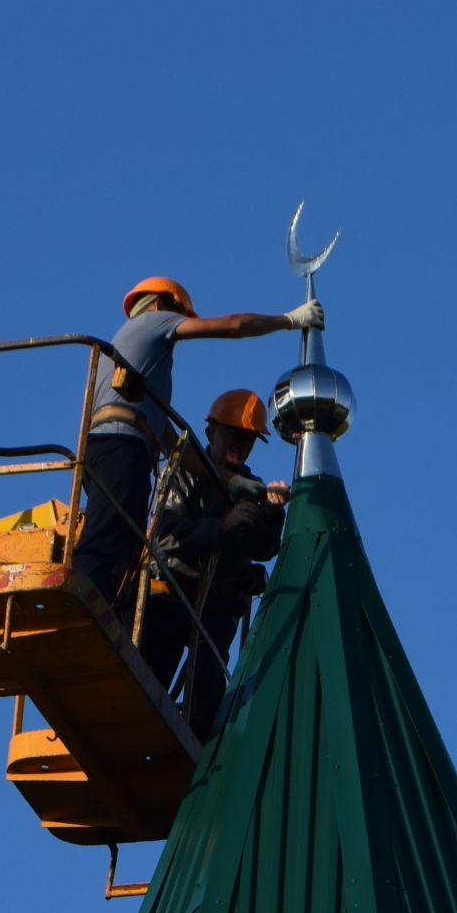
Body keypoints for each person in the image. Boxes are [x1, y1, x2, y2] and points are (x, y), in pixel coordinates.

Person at [71, 275, 320, 610]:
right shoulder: (153, 323)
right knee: (106, 542)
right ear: (161, 305)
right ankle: (87, 608)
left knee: (122, 541)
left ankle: (107, 612)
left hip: (109, 448)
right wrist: (289, 321)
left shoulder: (133, 364)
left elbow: (174, 447)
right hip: (122, 449)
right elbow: (234, 326)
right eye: (181, 315)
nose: (184, 325)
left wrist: (234, 482)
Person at [139, 390, 289, 737]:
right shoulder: (184, 471)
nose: (240, 444)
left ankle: (196, 756)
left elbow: (265, 548)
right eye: (233, 434)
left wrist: (272, 513)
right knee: (149, 681)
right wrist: (220, 527)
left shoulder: (250, 486)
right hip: (171, 594)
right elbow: (164, 536)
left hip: (216, 605)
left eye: (248, 439)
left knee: (204, 701)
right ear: (211, 433)